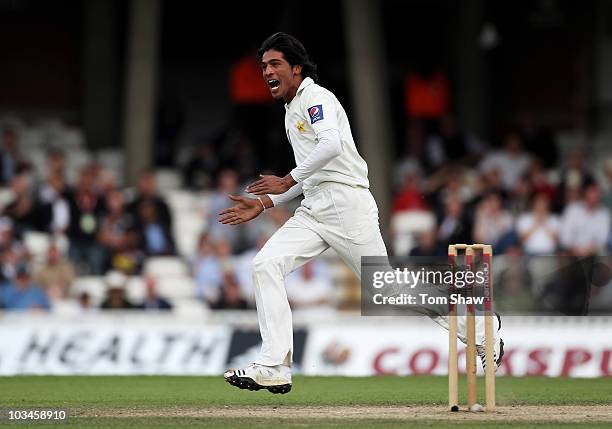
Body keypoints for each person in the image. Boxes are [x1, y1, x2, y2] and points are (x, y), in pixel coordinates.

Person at [220, 33, 504, 394]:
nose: (267, 72)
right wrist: (265, 204)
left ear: (296, 68)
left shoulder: (315, 97)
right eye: (263, 66)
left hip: (346, 205)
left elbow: (331, 144)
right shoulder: (292, 109)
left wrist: (288, 179)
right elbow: (314, 172)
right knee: (265, 265)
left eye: (275, 64)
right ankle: (275, 366)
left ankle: (480, 327)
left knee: (387, 290)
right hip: (315, 207)